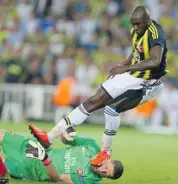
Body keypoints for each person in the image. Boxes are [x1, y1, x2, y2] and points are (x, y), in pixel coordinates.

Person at [29, 5, 167, 167]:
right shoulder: (136, 30)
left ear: (148, 21)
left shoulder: (156, 34)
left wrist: (125, 68)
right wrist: (122, 65)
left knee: (111, 109)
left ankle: (105, 151)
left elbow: (154, 60)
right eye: (133, 24)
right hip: (132, 76)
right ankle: (50, 137)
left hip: (149, 83)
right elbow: (137, 52)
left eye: (138, 24)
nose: (135, 28)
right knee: (93, 101)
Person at [0, 129, 123, 184]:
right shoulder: (92, 146)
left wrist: (44, 158)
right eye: (106, 167)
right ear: (107, 159)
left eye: (105, 174)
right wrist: (67, 133)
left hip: (31, 169)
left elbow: (57, 178)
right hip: (36, 147)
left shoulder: (89, 181)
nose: (101, 171)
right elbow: (66, 140)